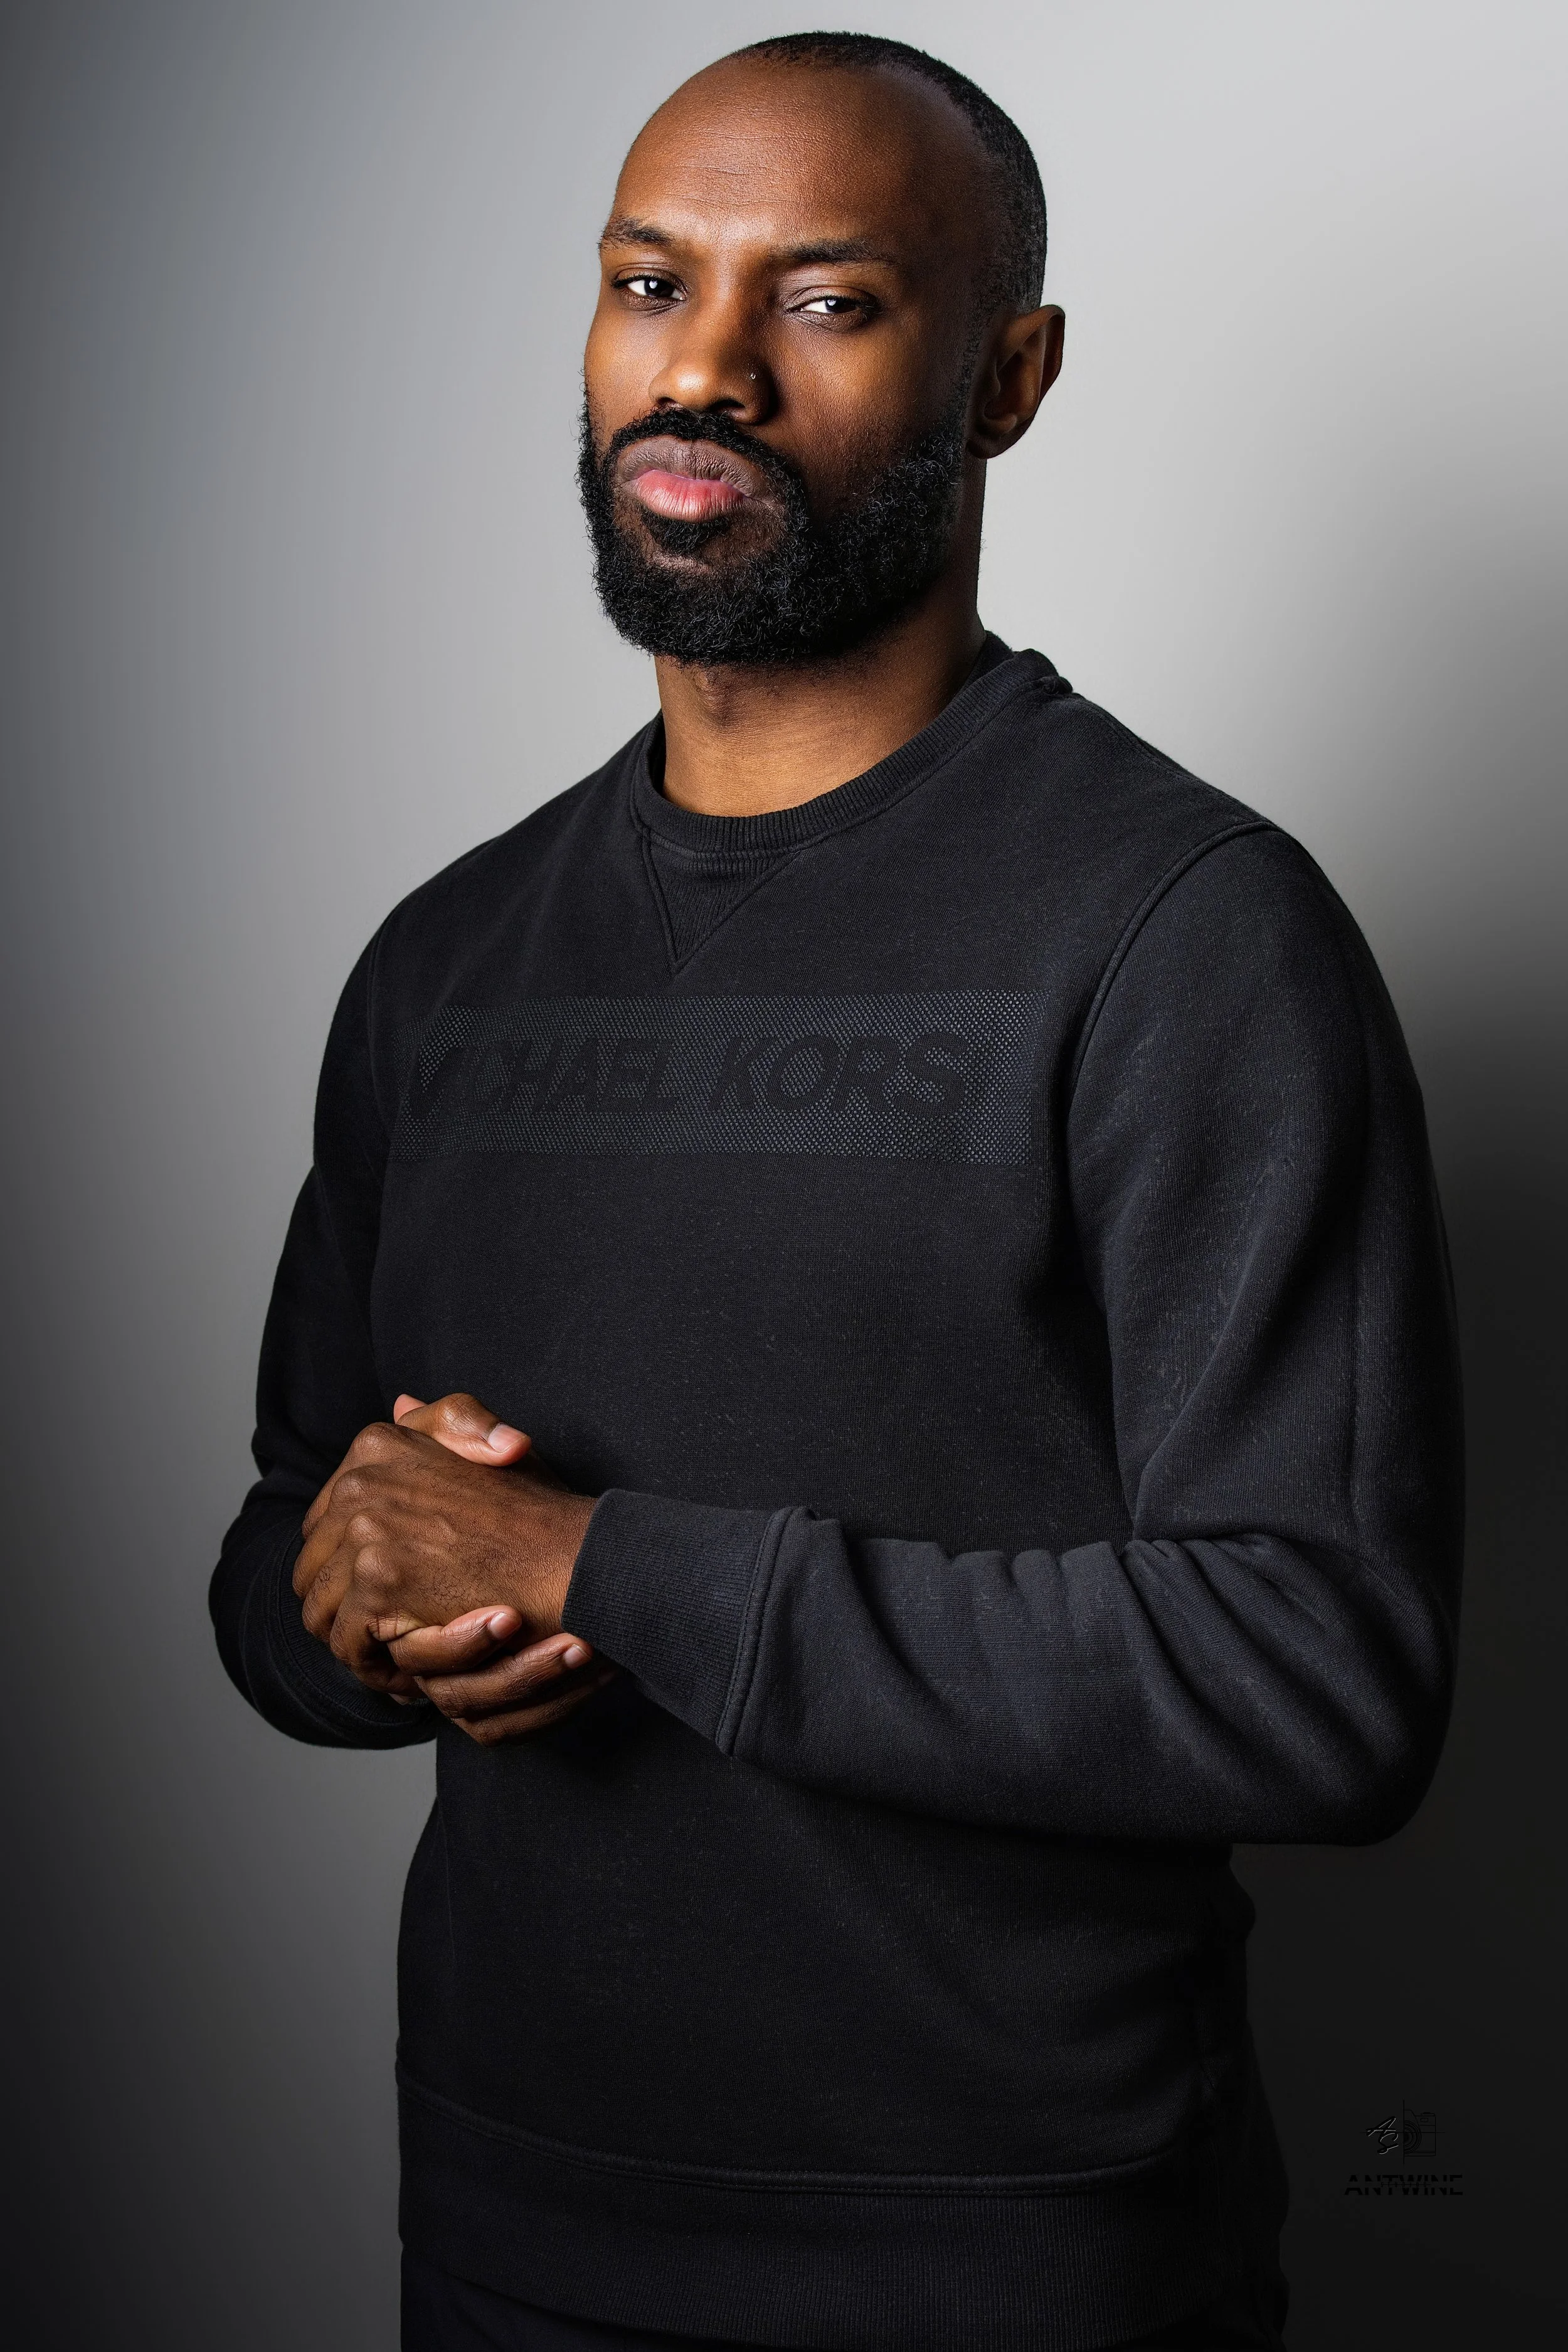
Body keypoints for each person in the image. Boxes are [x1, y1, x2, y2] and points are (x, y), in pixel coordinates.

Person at [211, 32, 1463, 2352]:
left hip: (1005, 2273)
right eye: (642, 279)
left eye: (825, 299)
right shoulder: (446, 957)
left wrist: (603, 1565)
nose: (698, 367)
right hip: (506, 2230)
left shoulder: (1180, 928)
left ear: (1006, 380)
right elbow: (286, 1552)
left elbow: (1322, 1677)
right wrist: (370, 1609)